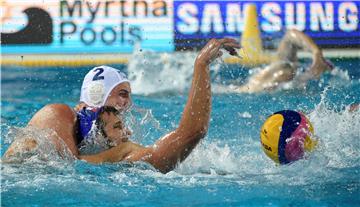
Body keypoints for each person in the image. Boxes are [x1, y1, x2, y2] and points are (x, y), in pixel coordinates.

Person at [3, 38, 240, 173]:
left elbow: (191, 134)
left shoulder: (112, 149)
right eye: (122, 94)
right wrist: (117, 154)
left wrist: (201, 66)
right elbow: (66, 167)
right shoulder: (58, 114)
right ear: (97, 95)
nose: (127, 104)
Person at [234, 29, 334, 93]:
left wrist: (317, 54)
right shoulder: (280, 70)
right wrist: (316, 54)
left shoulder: (290, 74)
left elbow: (290, 35)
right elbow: (290, 36)